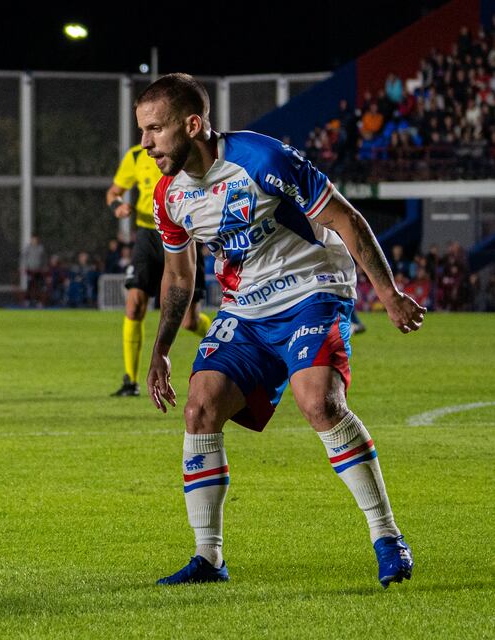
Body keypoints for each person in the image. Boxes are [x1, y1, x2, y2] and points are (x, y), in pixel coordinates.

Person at [138, 73, 424, 588]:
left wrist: (388, 294)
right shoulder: (168, 196)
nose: (145, 143)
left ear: (193, 125)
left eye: (155, 129)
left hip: (312, 287)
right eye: (142, 131)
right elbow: (179, 276)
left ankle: (387, 537)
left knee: (319, 402)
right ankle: (208, 558)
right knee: (200, 408)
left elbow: (345, 219)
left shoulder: (262, 158)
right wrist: (160, 349)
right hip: (246, 309)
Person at [107, 144, 210, 397]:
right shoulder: (135, 155)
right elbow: (113, 193)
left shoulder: (185, 151)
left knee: (190, 321)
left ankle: (227, 340)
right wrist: (117, 206)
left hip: (182, 233)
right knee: (134, 305)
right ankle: (130, 381)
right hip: (147, 235)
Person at [20, 234, 48, 307]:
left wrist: (45, 267)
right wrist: (23, 267)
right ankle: (27, 300)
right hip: (30, 270)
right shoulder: (28, 248)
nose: (34, 241)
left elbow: (44, 258)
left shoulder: (41, 248)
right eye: (33, 240)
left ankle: (38, 301)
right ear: (31, 240)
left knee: (38, 286)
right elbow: (23, 258)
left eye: (36, 240)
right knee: (30, 285)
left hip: (38, 270)